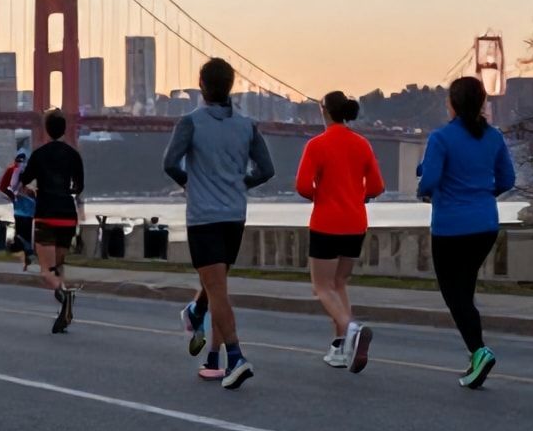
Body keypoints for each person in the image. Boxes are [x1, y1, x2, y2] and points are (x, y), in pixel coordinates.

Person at [163, 58, 276, 390]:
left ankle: (236, 356)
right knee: (218, 288)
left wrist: (190, 182)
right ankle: (209, 348)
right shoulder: (247, 125)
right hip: (234, 216)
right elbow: (266, 170)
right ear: (231, 85)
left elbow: (170, 162)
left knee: (218, 291)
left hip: (204, 217)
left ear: (201, 84)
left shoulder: (190, 122)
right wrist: (241, 184)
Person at [418, 77, 516, 390]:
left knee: (454, 294)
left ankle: (479, 351)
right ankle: (475, 354)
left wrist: (424, 191)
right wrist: (482, 194)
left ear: (452, 104)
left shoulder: (441, 137)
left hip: (450, 228)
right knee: (465, 290)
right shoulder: (494, 137)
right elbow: (507, 179)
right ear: (482, 103)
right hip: (485, 224)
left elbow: (430, 178)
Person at [295, 91, 386, 373]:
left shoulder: (317, 145)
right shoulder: (362, 144)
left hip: (326, 223)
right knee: (339, 284)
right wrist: (356, 196)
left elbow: (301, 185)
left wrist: (320, 195)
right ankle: (339, 347)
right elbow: (376, 187)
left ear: (324, 111)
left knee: (321, 287)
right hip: (355, 223)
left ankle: (351, 330)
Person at [20, 110, 86, 333]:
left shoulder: (39, 154)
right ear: (64, 128)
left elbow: (24, 180)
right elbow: (78, 187)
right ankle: (63, 313)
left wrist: (31, 191)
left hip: (46, 214)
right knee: (58, 267)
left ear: (47, 129)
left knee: (47, 271)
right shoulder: (73, 154)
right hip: (67, 215)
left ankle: (65, 295)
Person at [0, 152, 36, 271]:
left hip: (19, 208)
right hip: (30, 208)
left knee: (20, 234)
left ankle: (26, 255)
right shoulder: (32, 171)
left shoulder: (12, 170)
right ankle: (27, 255)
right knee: (27, 233)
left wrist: (12, 196)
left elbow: (2, 187)